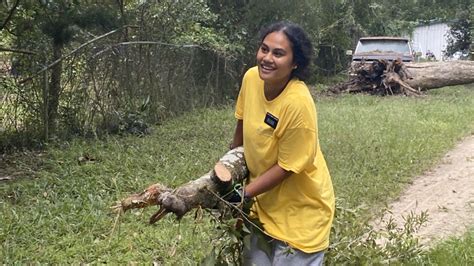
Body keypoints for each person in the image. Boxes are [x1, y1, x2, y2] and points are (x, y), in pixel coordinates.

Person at [228, 21, 335, 265]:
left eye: (278, 53)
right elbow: (242, 124)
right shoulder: (251, 78)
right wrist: (230, 167)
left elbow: (286, 167)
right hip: (263, 207)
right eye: (264, 49)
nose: (267, 58)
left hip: (301, 214)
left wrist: (242, 194)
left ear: (295, 63)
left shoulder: (297, 104)